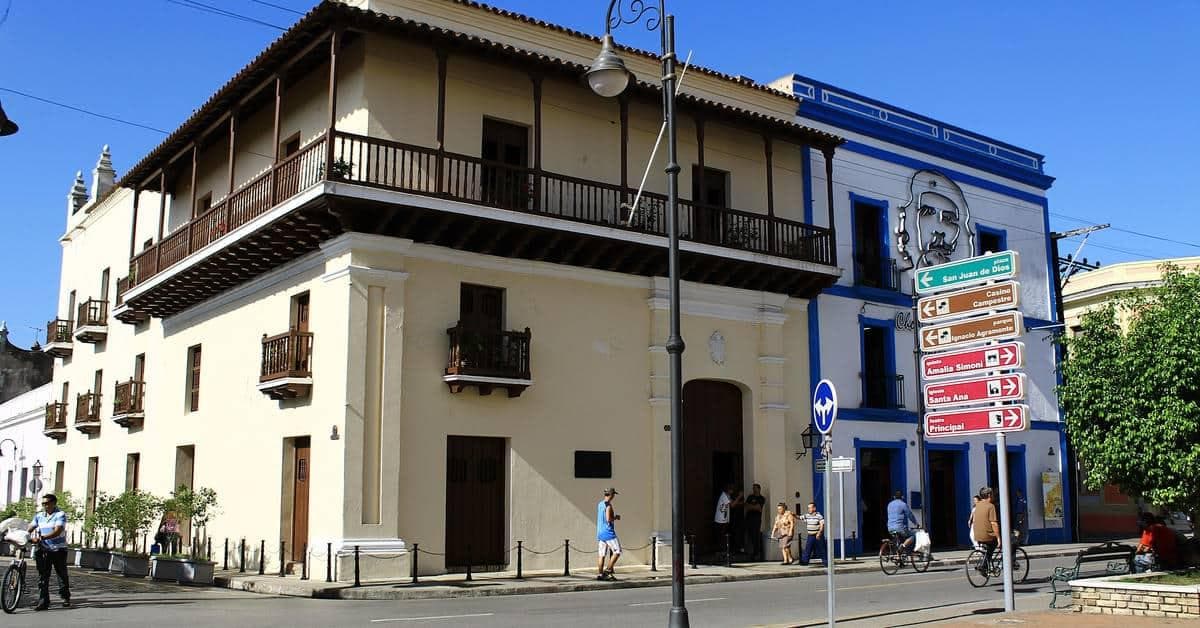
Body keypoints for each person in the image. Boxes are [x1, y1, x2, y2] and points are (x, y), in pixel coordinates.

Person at [28, 493, 70, 610]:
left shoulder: (60, 515)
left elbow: (57, 531)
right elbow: (30, 527)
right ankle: (43, 601)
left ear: (53, 503)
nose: (45, 506)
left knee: (61, 574)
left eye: (47, 503)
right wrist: (24, 535)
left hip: (58, 550)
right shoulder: (39, 516)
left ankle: (65, 596)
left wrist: (42, 538)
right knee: (43, 576)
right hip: (43, 549)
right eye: (43, 504)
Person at [972, 487, 1000, 572]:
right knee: (997, 543)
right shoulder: (991, 506)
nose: (994, 496)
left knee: (989, 548)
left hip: (977, 535)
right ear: (989, 495)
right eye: (992, 494)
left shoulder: (977, 505)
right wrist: (999, 538)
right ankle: (984, 566)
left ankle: (986, 564)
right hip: (987, 535)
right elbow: (994, 523)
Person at [596, 487, 621, 581]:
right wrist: (615, 517)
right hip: (608, 532)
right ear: (611, 495)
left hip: (600, 532)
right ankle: (608, 571)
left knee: (601, 554)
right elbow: (608, 519)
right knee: (617, 551)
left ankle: (600, 574)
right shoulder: (608, 505)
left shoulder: (600, 504)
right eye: (613, 494)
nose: (614, 496)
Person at [744, 484, 766, 561]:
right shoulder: (750, 497)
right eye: (753, 488)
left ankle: (756, 554)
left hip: (756, 520)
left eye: (755, 488)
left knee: (755, 536)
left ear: (759, 489)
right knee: (748, 536)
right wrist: (753, 507)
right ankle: (749, 553)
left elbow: (759, 508)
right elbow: (746, 505)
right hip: (748, 519)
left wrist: (751, 507)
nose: (754, 490)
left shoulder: (761, 498)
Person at [799, 502, 826, 566]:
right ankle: (805, 561)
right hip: (810, 535)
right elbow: (799, 517)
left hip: (818, 535)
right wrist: (792, 514)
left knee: (822, 549)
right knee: (808, 549)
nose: (808, 509)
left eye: (810, 508)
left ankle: (826, 562)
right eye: (808, 508)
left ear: (814, 508)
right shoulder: (807, 516)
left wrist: (819, 533)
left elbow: (822, 525)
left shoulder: (819, 516)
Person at [714, 484, 733, 557]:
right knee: (721, 536)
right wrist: (740, 497)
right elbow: (732, 505)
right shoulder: (724, 495)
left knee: (724, 536)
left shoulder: (727, 496)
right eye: (731, 490)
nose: (732, 491)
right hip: (720, 520)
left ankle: (723, 551)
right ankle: (721, 551)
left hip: (724, 520)